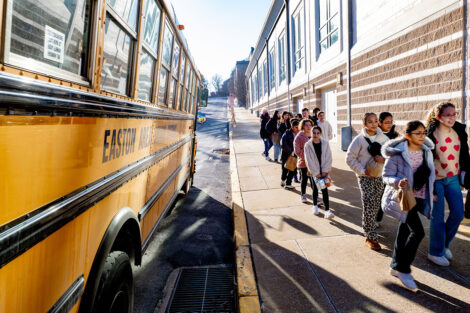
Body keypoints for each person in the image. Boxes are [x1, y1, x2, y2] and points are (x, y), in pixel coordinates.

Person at [382, 120, 435, 292]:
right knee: (418, 232)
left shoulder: (426, 151)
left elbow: (429, 173)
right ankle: (404, 270)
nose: (422, 136)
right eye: (418, 133)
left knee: (405, 230)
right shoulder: (397, 154)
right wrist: (398, 182)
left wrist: (431, 191)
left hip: (419, 196)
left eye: (424, 132)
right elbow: (386, 176)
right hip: (404, 197)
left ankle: (394, 265)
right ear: (407, 135)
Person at [425, 102, 470, 266]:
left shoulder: (459, 130)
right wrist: (428, 187)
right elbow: (425, 161)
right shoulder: (430, 134)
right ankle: (435, 252)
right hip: (436, 180)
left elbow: (465, 155)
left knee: (458, 214)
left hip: (453, 179)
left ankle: (443, 245)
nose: (452, 117)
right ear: (438, 117)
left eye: (454, 114)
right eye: (448, 115)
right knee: (437, 217)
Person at [346, 112, 389, 251]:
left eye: (376, 121)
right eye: (370, 121)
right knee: (369, 202)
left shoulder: (384, 138)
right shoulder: (359, 140)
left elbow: (393, 156)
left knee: (376, 203)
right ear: (364, 124)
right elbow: (350, 158)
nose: (373, 124)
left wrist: (384, 160)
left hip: (380, 176)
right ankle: (370, 235)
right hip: (364, 177)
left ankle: (370, 225)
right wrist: (362, 170)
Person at [305, 126, 334, 218]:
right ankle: (315, 206)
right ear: (311, 133)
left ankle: (327, 211)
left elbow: (329, 157)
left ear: (320, 134)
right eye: (314, 133)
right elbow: (308, 160)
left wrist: (325, 171)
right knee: (315, 189)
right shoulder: (308, 145)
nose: (316, 135)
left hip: (324, 172)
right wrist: (316, 173)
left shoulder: (325, 143)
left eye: (318, 133)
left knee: (324, 190)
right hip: (315, 172)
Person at [376, 112, 399, 227]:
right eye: (386, 122)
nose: (389, 124)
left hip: (388, 171)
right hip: (374, 171)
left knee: (383, 196)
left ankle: (377, 219)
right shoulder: (375, 134)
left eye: (391, 122)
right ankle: (372, 219)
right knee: (374, 197)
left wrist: (384, 160)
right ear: (380, 123)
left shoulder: (395, 136)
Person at [294, 119, 314, 203]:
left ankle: (315, 196)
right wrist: (307, 155)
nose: (309, 127)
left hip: (314, 162)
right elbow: (297, 151)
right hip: (304, 162)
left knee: (314, 180)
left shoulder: (315, 135)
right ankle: (303, 195)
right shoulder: (299, 137)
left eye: (310, 125)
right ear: (303, 126)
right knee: (304, 179)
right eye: (306, 125)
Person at [281, 119, 300, 189]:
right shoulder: (286, 133)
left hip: (295, 155)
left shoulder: (299, 133)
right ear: (292, 127)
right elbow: (283, 144)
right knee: (285, 168)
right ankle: (283, 180)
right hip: (286, 154)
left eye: (299, 127)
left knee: (292, 169)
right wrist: (291, 151)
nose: (298, 129)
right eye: (296, 127)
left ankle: (288, 183)